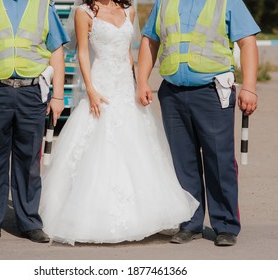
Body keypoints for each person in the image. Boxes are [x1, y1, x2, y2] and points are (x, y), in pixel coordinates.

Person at [39, 0, 199, 245]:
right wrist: (90, 89)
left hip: (125, 85)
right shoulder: (83, 13)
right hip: (101, 83)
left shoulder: (129, 11)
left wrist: (137, 83)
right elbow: (82, 51)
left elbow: (128, 52)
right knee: (98, 146)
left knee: (138, 148)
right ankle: (89, 216)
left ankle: (147, 217)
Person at [137, 0, 260, 246]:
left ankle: (225, 225)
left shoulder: (227, 2)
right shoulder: (165, 3)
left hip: (213, 91)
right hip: (172, 92)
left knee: (219, 159)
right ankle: (189, 222)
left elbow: (247, 42)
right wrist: (141, 81)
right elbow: (150, 41)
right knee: (182, 162)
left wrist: (250, 87)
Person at [0, 0, 69, 244]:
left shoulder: (43, 6)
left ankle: (29, 222)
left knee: (29, 160)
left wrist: (58, 95)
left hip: (32, 93)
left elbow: (56, 50)